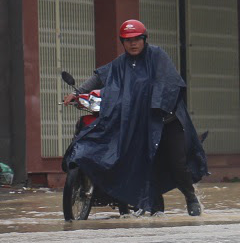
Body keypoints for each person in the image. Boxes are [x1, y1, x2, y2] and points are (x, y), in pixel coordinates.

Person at [62, 19, 207, 215]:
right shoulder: (120, 64)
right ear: (122, 42)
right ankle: (152, 207)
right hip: (139, 122)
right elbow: (100, 77)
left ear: (144, 39)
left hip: (166, 121)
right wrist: (78, 93)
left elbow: (169, 82)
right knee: (138, 160)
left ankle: (191, 198)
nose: (133, 43)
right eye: (128, 40)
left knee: (176, 163)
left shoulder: (157, 56)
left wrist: (155, 104)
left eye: (137, 39)